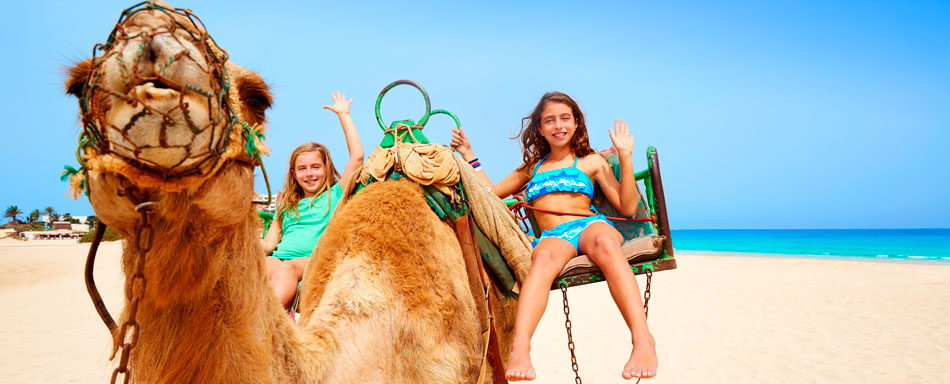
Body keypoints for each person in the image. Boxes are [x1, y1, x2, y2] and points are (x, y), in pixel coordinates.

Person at [451, 91, 657, 381]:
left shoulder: (590, 161)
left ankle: (642, 340)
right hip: (553, 237)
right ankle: (521, 348)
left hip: (588, 225)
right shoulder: (532, 168)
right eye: (549, 120)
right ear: (539, 128)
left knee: (605, 243)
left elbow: (628, 206)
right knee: (543, 258)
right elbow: (491, 195)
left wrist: (624, 155)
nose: (558, 125)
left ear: (576, 124)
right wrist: (469, 156)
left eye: (564, 118)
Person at [261, 91, 363, 310]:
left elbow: (357, 157)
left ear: (326, 168)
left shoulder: (335, 195)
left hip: (311, 260)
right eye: (302, 169)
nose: (309, 174)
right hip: (279, 258)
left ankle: (268, 319)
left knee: (288, 269)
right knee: (263, 265)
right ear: (294, 174)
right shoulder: (287, 207)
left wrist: (343, 115)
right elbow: (269, 244)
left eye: (315, 167)